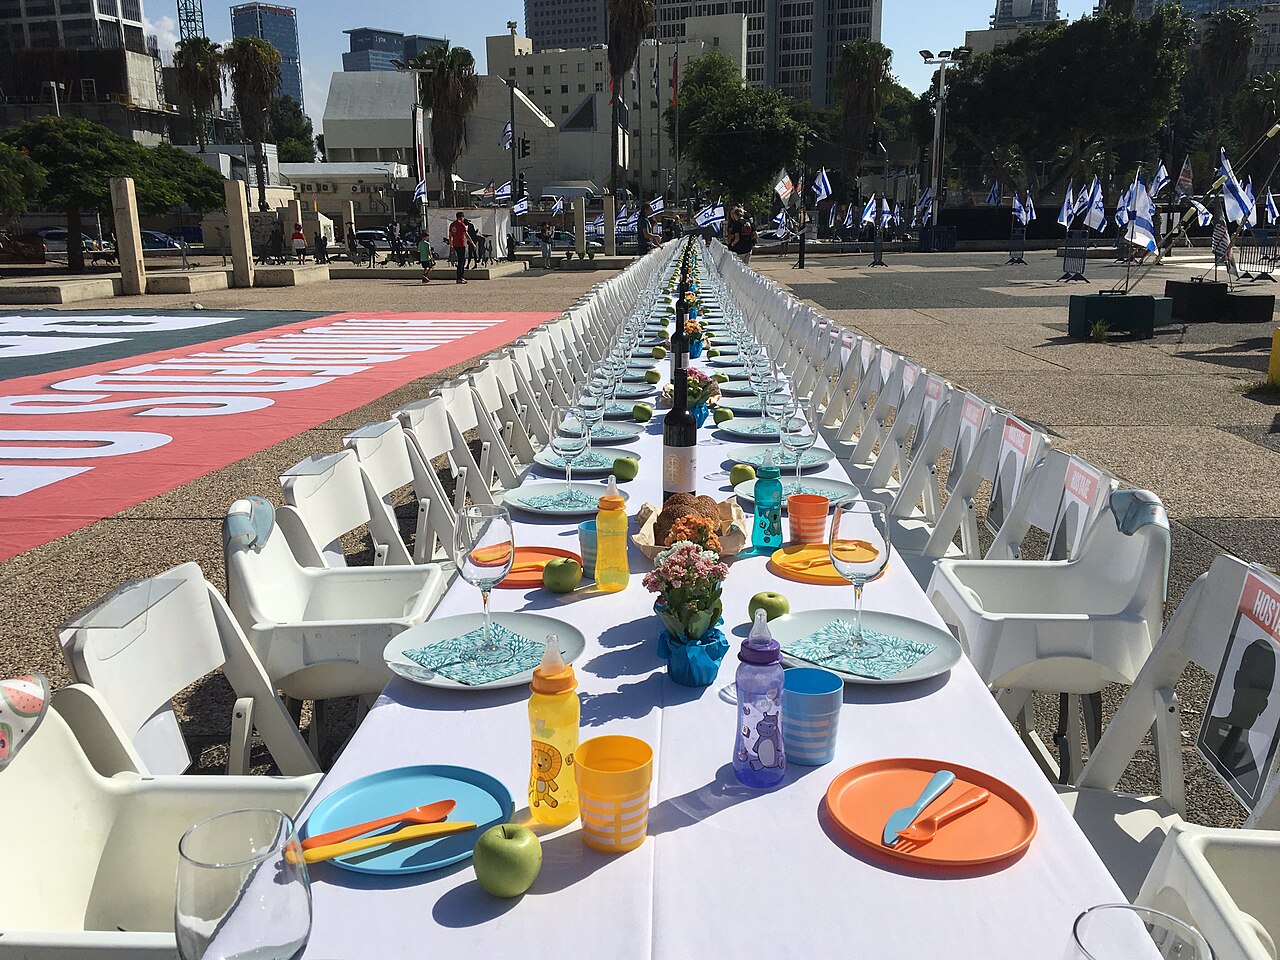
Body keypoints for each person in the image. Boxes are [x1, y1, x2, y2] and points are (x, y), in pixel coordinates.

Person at [448, 211, 470, 283]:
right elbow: (466, 235)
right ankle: (460, 277)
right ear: (461, 217)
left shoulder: (452, 224)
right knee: (461, 261)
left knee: (462, 260)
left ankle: (460, 277)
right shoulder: (461, 224)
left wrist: (451, 245)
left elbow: (450, 236)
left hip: (455, 244)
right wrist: (473, 244)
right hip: (461, 244)